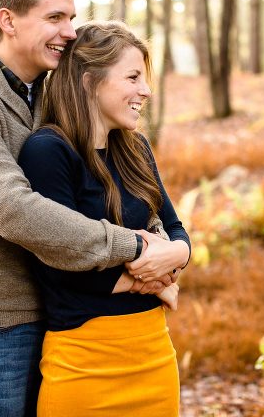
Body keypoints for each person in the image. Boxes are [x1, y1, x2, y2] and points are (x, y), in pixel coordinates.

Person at [0, 0, 189, 417]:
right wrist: (139, 251)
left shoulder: (51, 90)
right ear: (8, 20)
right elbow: (16, 210)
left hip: (60, 315)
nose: (69, 31)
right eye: (55, 17)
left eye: (71, 17)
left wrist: (172, 254)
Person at [18, 20, 191, 416]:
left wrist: (177, 254)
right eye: (132, 77)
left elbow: (177, 229)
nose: (145, 90)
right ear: (88, 81)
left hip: (153, 354)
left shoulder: (136, 148)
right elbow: (60, 268)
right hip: (83, 362)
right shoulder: (48, 151)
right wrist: (154, 278)